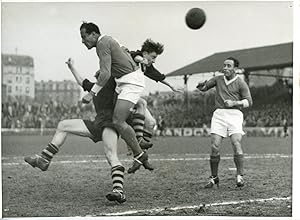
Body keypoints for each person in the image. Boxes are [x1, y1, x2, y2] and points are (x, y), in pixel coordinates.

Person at [24, 58, 127, 203]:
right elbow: (81, 81)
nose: (98, 74)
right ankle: (44, 160)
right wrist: (72, 67)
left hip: (110, 124)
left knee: (111, 155)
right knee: (63, 125)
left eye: (101, 73)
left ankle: (119, 191)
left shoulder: (113, 84)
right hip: (97, 123)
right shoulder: (94, 87)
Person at [78, 22, 153, 173]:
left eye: (84, 37)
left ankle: (140, 152)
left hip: (130, 82)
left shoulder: (102, 44)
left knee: (118, 121)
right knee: (118, 119)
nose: (82, 41)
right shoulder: (110, 40)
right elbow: (124, 53)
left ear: (94, 34)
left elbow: (105, 74)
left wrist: (91, 93)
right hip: (124, 82)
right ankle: (139, 151)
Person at [196, 57, 253, 188]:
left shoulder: (241, 83)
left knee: (236, 143)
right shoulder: (217, 79)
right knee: (215, 146)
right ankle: (214, 177)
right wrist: (200, 86)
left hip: (235, 115)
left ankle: (239, 176)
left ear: (235, 69)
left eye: (228, 66)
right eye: (224, 65)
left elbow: (249, 102)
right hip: (219, 115)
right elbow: (204, 88)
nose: (225, 68)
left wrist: (235, 103)